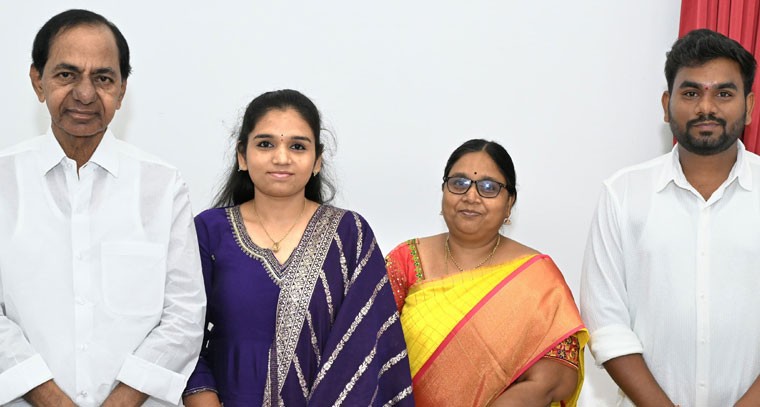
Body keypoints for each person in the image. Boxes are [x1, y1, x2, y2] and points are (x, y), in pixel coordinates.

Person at [0, 9, 205, 407]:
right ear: (37, 81)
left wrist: (121, 401)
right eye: (66, 74)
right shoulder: (3, 181)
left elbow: (184, 314)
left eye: (103, 78)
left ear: (122, 90)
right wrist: (50, 399)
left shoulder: (162, 186)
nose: (85, 93)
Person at [181, 89, 413, 406]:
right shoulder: (210, 231)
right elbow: (182, 331)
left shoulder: (349, 235)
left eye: (297, 146)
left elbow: (371, 349)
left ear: (317, 160)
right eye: (265, 144)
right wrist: (203, 397)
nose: (281, 157)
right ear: (242, 156)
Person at [581, 28, 760, 406]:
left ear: (749, 105)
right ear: (666, 104)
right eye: (691, 93)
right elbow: (606, 324)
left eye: (724, 94)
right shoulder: (622, 194)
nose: (706, 107)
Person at [385, 139, 587, 406]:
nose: (471, 196)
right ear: (444, 191)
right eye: (459, 183)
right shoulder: (406, 260)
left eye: (489, 187)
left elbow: (556, 380)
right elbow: (367, 348)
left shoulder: (537, 279)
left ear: (509, 202)